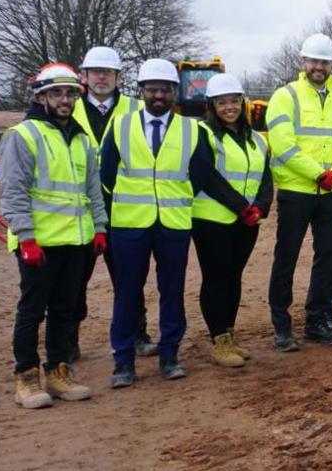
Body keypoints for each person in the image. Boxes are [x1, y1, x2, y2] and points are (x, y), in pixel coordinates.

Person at [102, 59, 248, 387]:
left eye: (165, 89)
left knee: (172, 291)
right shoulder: (120, 125)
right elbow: (107, 173)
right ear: (140, 91)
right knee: (127, 292)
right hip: (129, 223)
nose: (158, 95)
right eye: (151, 88)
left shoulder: (191, 129)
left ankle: (170, 355)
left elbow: (198, 175)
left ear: (174, 93)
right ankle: (123, 361)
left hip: (174, 223)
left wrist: (174, 198)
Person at [0, 64, 108, 408]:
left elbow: (92, 188)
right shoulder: (24, 135)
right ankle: (27, 377)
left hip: (76, 241)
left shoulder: (81, 139)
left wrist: (100, 227)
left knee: (65, 309)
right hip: (40, 244)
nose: (65, 100)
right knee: (32, 311)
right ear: (41, 96)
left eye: (71, 93)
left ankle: (59, 371)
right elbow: (13, 191)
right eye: (57, 93)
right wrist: (27, 237)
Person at [266, 33, 332, 350]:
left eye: (324, 61)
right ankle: (281, 324)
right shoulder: (285, 96)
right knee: (287, 257)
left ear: (331, 64)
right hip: (297, 190)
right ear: (303, 61)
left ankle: (317, 320)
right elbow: (281, 144)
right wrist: (318, 173)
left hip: (330, 189)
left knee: (328, 256)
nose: (319, 66)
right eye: (314, 61)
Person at [190, 73, 273, 369]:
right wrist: (241, 206)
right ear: (211, 106)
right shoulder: (203, 133)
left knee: (234, 276)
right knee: (216, 277)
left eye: (234, 101)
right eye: (222, 103)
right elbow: (206, 176)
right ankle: (218, 340)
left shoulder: (255, 139)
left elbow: (265, 176)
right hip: (212, 219)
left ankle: (230, 333)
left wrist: (261, 207)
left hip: (246, 221)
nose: (230, 107)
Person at [72, 45, 148, 359]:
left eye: (108, 73)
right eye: (95, 72)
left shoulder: (135, 108)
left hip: (123, 208)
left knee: (128, 277)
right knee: (74, 281)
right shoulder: (68, 107)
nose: (101, 78)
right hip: (81, 210)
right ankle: (68, 338)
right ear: (84, 76)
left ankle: (138, 333)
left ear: (119, 77)